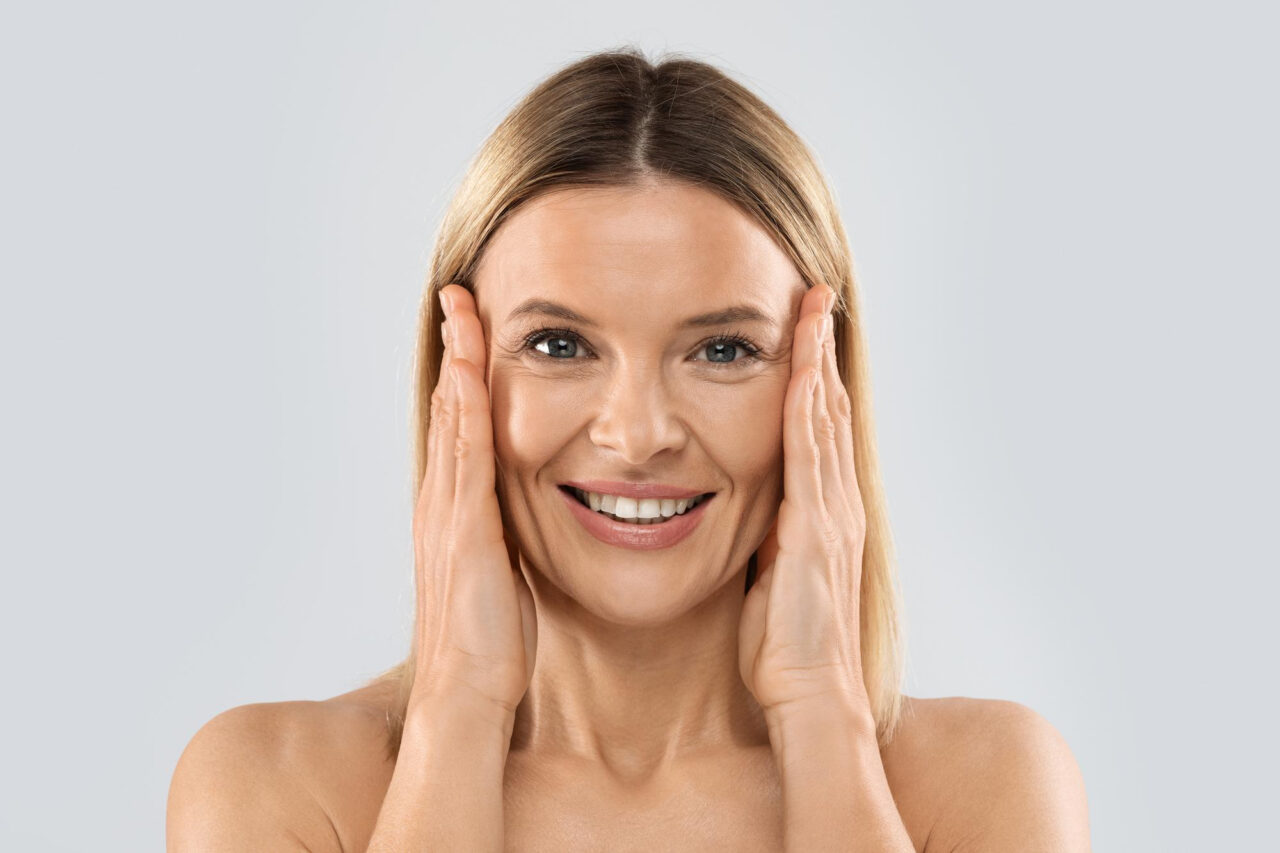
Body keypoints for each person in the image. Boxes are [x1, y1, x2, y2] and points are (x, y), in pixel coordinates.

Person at [167, 47, 1091, 851]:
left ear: (824, 390)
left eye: (722, 350)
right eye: (559, 344)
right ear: (458, 376)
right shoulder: (272, 786)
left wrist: (820, 708)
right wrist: (460, 708)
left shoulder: (987, 784)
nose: (639, 435)